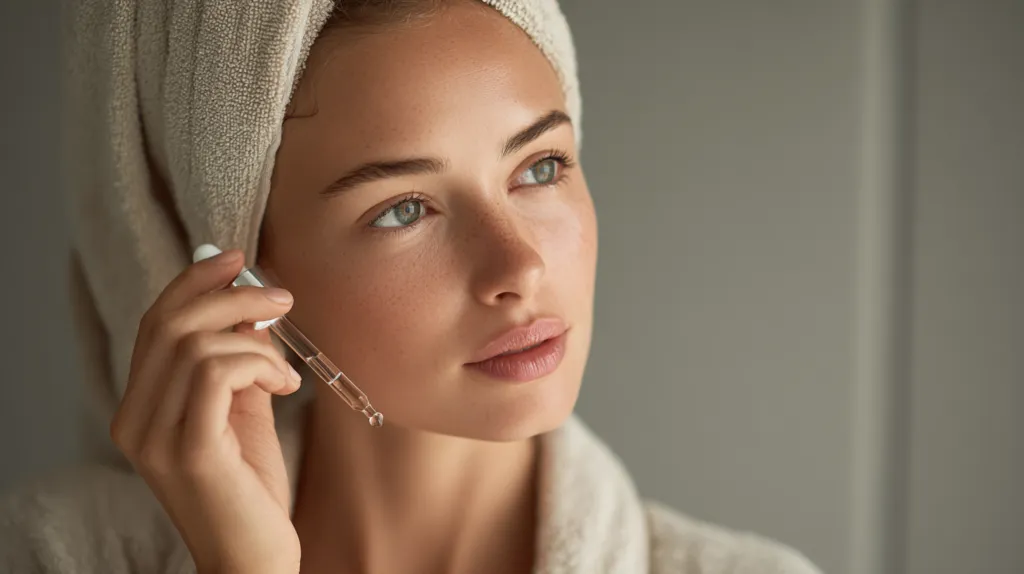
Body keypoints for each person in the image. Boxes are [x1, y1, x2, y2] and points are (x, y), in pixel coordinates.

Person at [1, 1, 821, 572]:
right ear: (245, 272)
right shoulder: (48, 553)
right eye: (403, 210)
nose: (518, 268)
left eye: (541, 167)